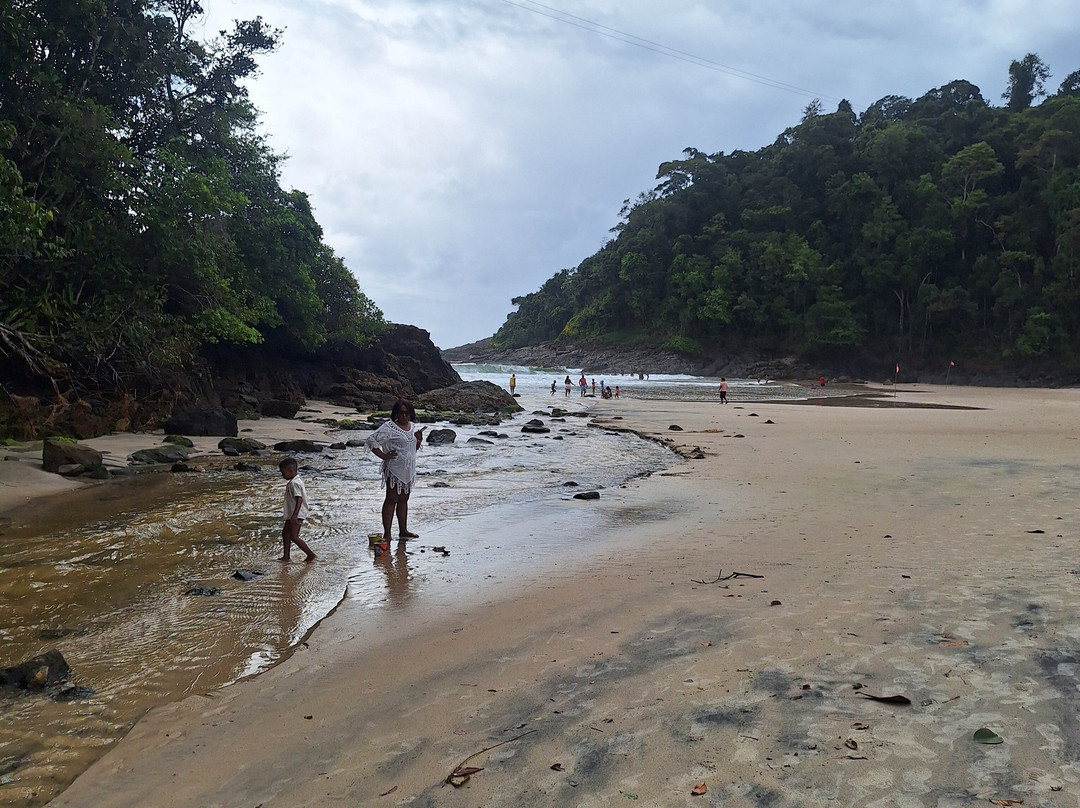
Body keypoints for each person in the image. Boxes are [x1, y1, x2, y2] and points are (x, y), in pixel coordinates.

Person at [365, 399, 426, 545]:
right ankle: (387, 534)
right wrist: (384, 456)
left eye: (407, 413)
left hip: (408, 470)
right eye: (401, 413)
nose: (404, 416)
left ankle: (403, 531)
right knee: (391, 499)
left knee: (404, 499)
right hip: (394, 469)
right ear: (396, 413)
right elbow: (371, 441)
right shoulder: (389, 427)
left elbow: (412, 449)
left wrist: (418, 441)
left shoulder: (412, 427)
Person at [279, 457, 316, 562]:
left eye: (283, 473)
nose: (282, 475)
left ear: (290, 471)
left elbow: (299, 499)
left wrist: (295, 515)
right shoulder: (294, 482)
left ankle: (311, 555)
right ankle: (286, 556)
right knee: (285, 533)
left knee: (294, 536)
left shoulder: (294, 483)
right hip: (292, 514)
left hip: (296, 514)